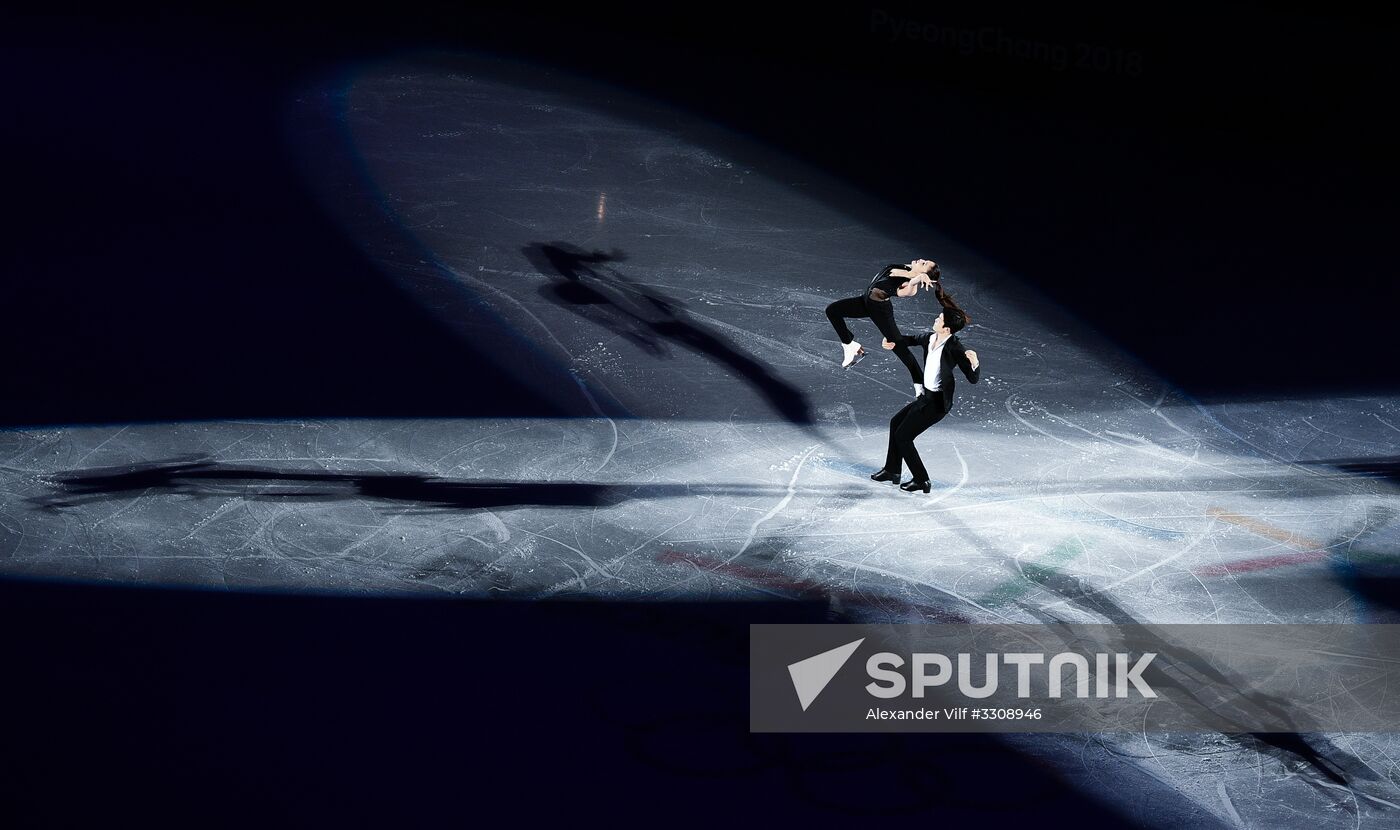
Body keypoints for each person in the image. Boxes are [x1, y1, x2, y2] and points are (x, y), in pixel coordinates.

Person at [869, 298, 980, 493]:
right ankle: (892, 470)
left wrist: (975, 362)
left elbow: (972, 378)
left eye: (939, 318)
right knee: (896, 423)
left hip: (937, 404)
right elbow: (909, 339)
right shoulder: (930, 338)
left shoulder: (955, 348)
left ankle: (922, 480)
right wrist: (892, 341)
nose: (936, 319)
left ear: (946, 328)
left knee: (903, 436)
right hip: (926, 398)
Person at [824, 259, 941, 395]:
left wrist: (918, 279)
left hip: (880, 311)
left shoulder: (909, 286)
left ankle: (919, 383)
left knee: (898, 346)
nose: (921, 260)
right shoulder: (907, 268)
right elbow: (910, 271)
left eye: (924, 264)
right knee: (832, 310)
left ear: (923, 274)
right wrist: (918, 273)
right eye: (925, 261)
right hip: (865, 301)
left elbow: (910, 288)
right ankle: (849, 345)